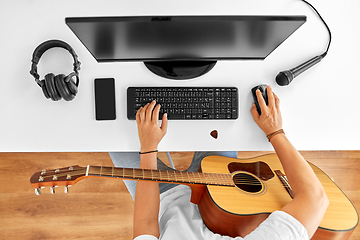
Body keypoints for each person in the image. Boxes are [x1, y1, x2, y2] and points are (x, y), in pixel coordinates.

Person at [109, 85, 329, 240]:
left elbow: (146, 223)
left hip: (163, 198)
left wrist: (148, 148)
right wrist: (275, 131)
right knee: (225, 106)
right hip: (220, 194)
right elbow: (315, 199)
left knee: (108, 134)